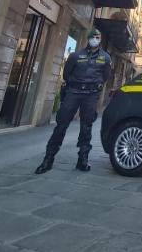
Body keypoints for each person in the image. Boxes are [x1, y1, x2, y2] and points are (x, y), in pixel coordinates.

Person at [35, 28, 112, 174]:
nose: (95, 39)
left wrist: (95, 86)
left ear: (100, 40)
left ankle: (82, 160)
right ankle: (48, 159)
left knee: (86, 127)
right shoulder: (76, 55)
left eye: (97, 37)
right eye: (93, 37)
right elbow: (66, 74)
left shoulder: (106, 58)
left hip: (91, 95)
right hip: (74, 92)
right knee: (61, 125)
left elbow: (105, 76)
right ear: (88, 38)